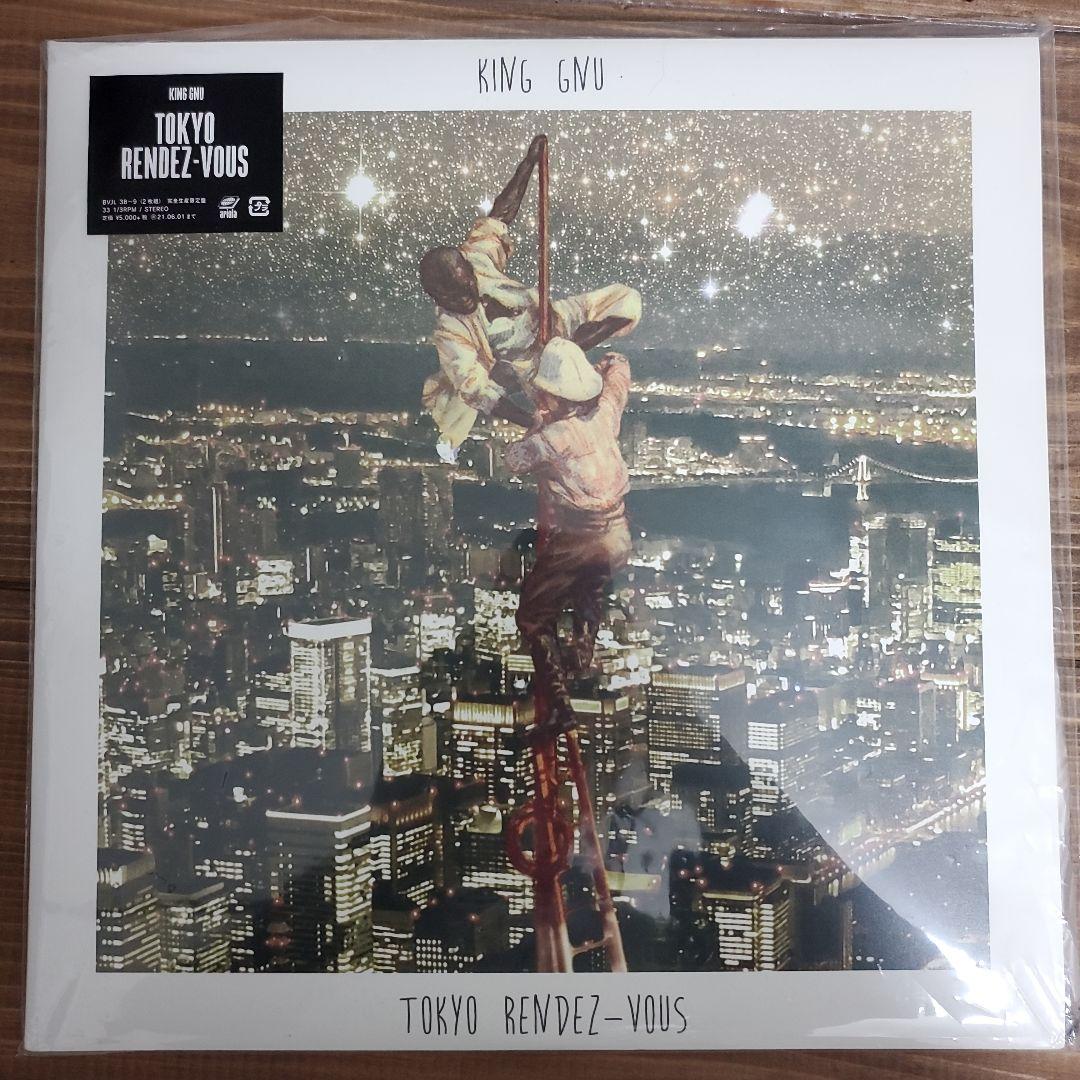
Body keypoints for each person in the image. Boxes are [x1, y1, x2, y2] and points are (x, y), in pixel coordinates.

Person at [419, 134, 641, 453]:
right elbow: (477, 390)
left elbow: (500, 216)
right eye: (455, 296)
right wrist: (529, 421)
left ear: (467, 268)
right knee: (570, 401)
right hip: (530, 364)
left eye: (468, 285)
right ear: (438, 296)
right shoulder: (451, 332)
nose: (467, 296)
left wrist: (528, 163)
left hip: (554, 317)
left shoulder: (477, 258)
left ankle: (571, 345)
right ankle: (561, 357)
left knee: (627, 301)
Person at [504, 338, 633, 736]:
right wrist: (600, 367)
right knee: (588, 591)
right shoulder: (605, 414)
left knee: (532, 617)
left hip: (580, 536)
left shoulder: (555, 437)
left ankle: (561, 707)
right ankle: (582, 657)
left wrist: (537, 424)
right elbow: (618, 366)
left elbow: (514, 460)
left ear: (554, 397)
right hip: (619, 535)